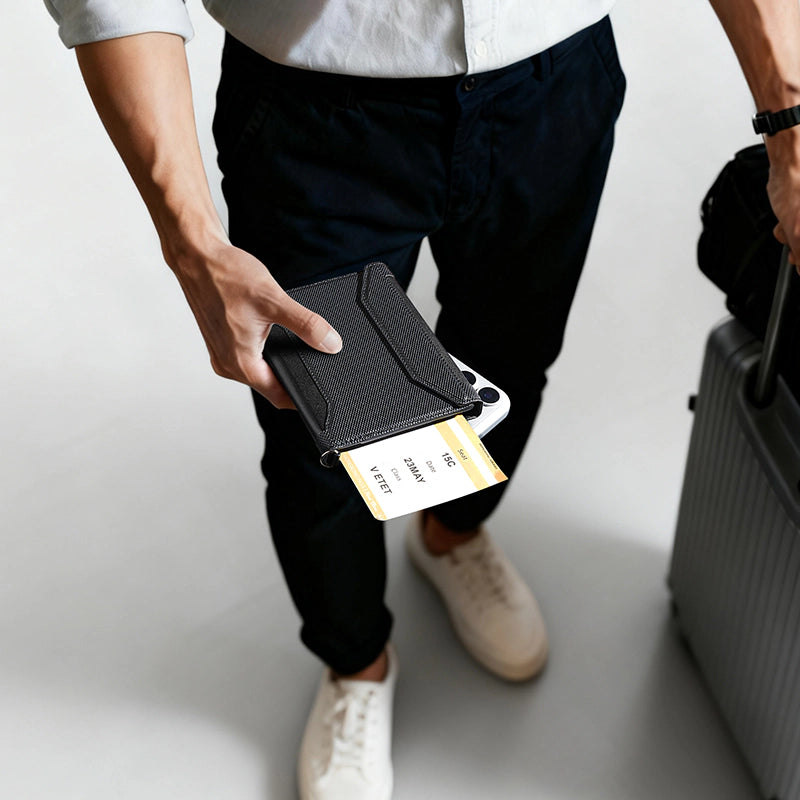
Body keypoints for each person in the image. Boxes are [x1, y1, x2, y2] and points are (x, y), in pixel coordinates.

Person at [42, 1, 800, 798]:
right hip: (321, 103)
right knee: (323, 428)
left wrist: (789, 116)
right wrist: (191, 239)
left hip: (554, 76)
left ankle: (451, 535)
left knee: (509, 359)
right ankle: (355, 661)